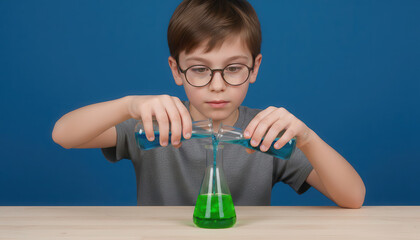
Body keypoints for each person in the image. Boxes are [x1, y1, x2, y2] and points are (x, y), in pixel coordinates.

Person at [52, 0, 365, 208]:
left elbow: (353, 198)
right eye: (200, 69)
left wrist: (307, 138)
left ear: (254, 68)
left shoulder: (266, 133)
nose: (217, 85)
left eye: (233, 68)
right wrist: (129, 105)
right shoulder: (154, 123)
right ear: (177, 70)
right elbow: (63, 135)